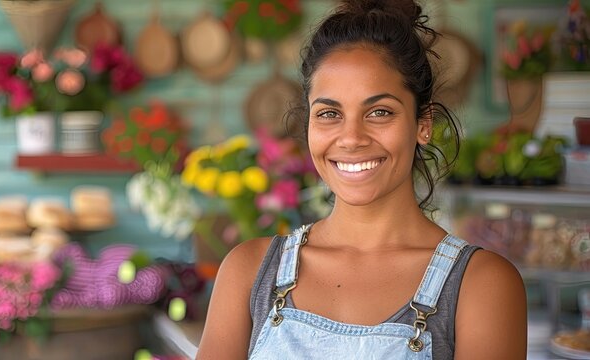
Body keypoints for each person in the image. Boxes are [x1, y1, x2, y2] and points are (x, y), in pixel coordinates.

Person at [196, 0, 527, 358]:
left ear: (423, 124)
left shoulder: (482, 284)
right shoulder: (248, 271)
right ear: (308, 124)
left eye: (379, 112)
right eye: (329, 113)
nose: (351, 138)